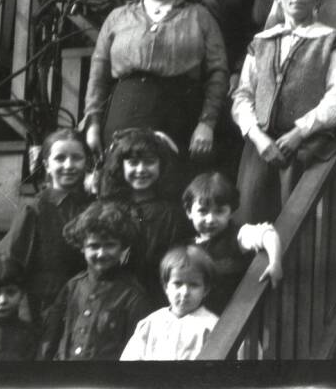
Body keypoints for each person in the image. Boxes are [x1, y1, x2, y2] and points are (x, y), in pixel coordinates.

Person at [83, 0, 229, 182]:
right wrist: (93, 122)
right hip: (124, 113)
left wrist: (207, 122)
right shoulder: (118, 17)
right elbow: (99, 73)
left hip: (179, 116)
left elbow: (218, 73)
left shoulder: (199, 16)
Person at [233, 0, 336, 224]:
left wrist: (299, 133)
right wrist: (258, 137)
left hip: (304, 148)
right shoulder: (262, 41)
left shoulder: (332, 41)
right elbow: (243, 95)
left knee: (296, 222)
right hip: (260, 147)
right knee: (251, 217)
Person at [40, 200, 155, 361]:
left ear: (123, 247)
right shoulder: (72, 287)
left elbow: (137, 350)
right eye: (94, 246)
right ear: (82, 247)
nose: (101, 253)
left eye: (110, 245)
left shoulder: (133, 295)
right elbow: (51, 337)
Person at [97, 128, 194, 300]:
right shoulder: (111, 208)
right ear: (121, 166)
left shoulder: (170, 214)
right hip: (113, 293)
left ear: (161, 165)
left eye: (149, 162)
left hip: (154, 292)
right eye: (133, 163)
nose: (141, 169)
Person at [6, 128, 91, 323]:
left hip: (86, 305)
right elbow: (16, 265)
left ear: (86, 162)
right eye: (60, 158)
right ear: (46, 165)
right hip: (44, 308)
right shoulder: (34, 210)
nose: (68, 165)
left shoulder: (94, 207)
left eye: (76, 158)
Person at [181, 172, 283, 314]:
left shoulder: (237, 236)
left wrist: (275, 262)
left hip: (233, 319)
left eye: (219, 211)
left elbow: (267, 234)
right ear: (189, 212)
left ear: (231, 211)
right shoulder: (187, 246)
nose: (210, 219)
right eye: (203, 211)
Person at [120, 245, 220, 360]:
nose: (185, 292)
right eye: (177, 283)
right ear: (166, 286)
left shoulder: (211, 327)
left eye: (194, 285)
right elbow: (130, 361)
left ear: (205, 290)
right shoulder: (151, 323)